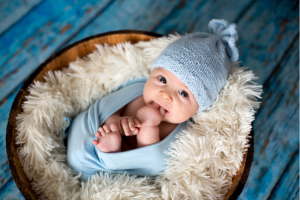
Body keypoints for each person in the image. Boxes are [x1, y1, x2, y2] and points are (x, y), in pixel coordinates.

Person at [64, 19, 239, 181]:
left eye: (183, 93)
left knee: (152, 159)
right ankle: (110, 142)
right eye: (162, 80)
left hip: (108, 172)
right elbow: (108, 104)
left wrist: (148, 126)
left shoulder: (186, 133)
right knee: (107, 120)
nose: (165, 94)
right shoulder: (138, 89)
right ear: (152, 73)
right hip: (87, 138)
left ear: (200, 107)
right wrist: (115, 122)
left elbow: (150, 160)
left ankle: (113, 151)